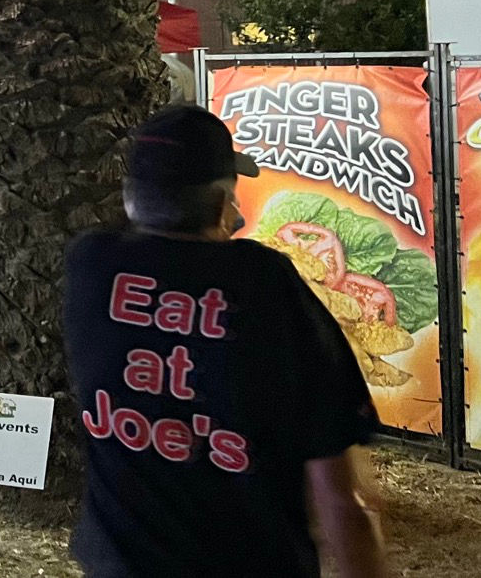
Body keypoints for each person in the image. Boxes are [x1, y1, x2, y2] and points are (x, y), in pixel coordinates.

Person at [64, 105, 388, 578]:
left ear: (131, 197)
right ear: (221, 207)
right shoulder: (263, 283)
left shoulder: (90, 266)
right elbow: (337, 493)